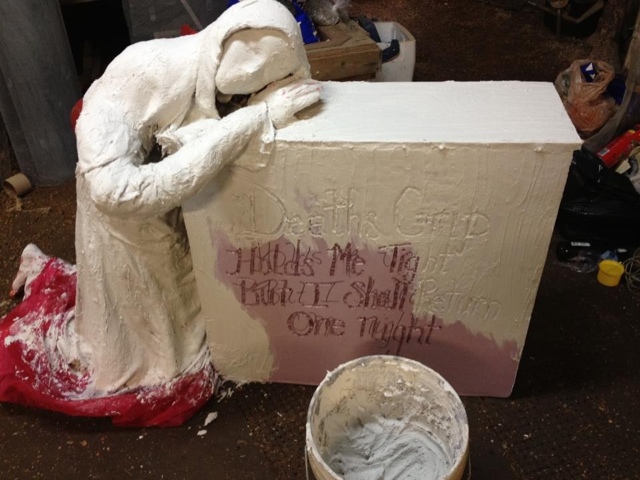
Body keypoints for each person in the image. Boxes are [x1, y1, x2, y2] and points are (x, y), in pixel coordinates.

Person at [0, 0, 321, 426]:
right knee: (163, 357)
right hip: (125, 224)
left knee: (187, 296)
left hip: (161, 210)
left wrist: (253, 105)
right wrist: (252, 120)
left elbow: (213, 113)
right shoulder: (139, 78)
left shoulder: (200, 65)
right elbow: (116, 194)